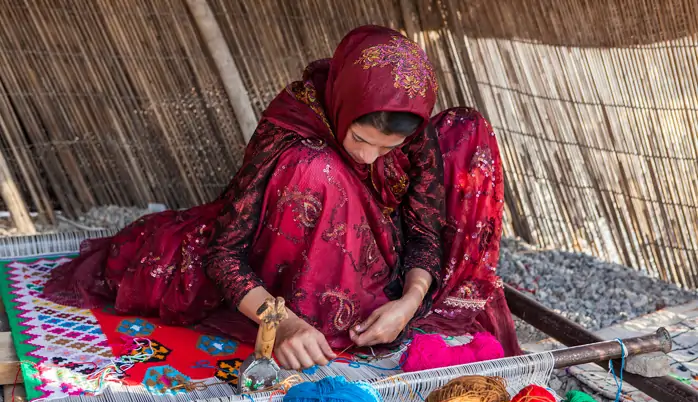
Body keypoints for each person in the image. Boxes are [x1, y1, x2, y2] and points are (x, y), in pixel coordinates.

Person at [44, 25, 521, 370]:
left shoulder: (411, 130)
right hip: (285, 248)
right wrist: (283, 322)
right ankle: (319, 318)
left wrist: (411, 301)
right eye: (361, 139)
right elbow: (225, 254)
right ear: (343, 103)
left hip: (376, 242)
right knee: (321, 170)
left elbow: (422, 229)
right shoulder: (292, 133)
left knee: (466, 129)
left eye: (388, 149)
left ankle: (392, 305)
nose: (373, 159)